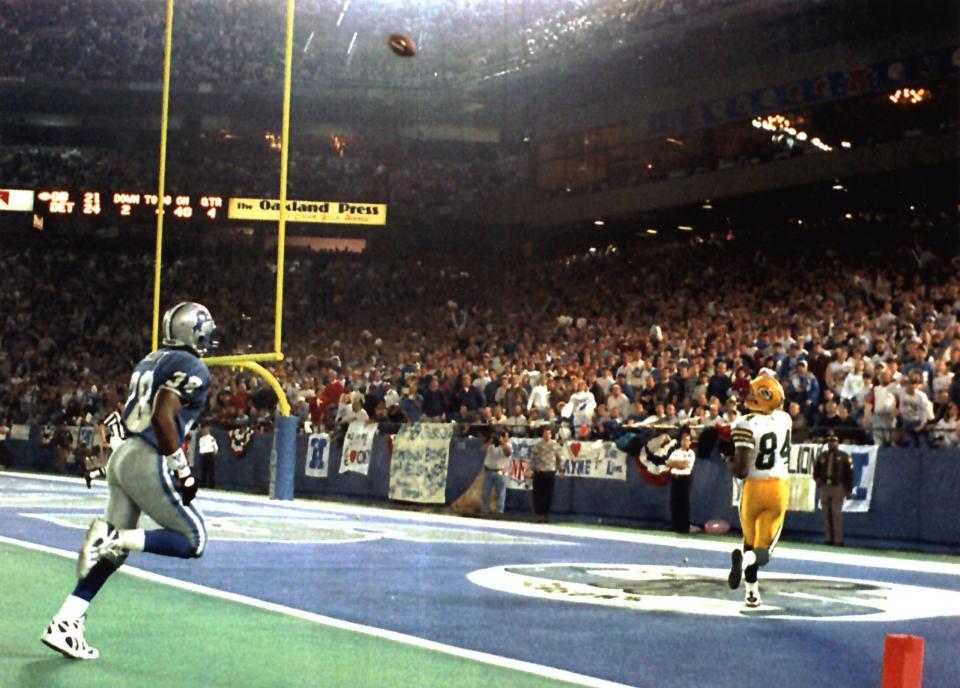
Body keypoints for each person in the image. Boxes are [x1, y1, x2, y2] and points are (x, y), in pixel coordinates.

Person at [42, 302, 217, 660]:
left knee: (114, 555)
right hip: (146, 455)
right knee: (193, 539)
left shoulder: (152, 360)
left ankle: (66, 621)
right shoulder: (192, 366)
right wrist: (181, 469)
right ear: (194, 331)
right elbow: (163, 412)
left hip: (124, 453)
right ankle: (112, 536)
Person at [725, 370, 792, 609]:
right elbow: (773, 401)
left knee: (749, 539)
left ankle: (751, 592)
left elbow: (741, 470)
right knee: (763, 551)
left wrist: (727, 459)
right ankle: (749, 579)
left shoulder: (743, 424)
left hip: (752, 488)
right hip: (777, 489)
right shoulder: (785, 420)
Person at [813, 433, 854, 546]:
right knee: (826, 513)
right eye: (830, 441)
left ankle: (838, 539)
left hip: (838, 486)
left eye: (834, 441)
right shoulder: (822, 456)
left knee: (836, 513)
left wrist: (848, 490)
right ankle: (828, 538)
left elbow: (849, 474)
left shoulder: (844, 456)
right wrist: (817, 479)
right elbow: (816, 469)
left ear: (838, 442)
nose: (832, 443)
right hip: (825, 486)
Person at [528, 425, 563, 522]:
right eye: (545, 433)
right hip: (539, 472)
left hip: (549, 472)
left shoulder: (555, 445)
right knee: (538, 494)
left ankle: (546, 514)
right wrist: (531, 469)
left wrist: (561, 469)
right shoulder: (538, 445)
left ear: (551, 435)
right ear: (543, 435)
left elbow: (560, 458)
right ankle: (539, 514)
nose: (547, 435)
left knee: (548, 494)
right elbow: (533, 458)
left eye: (549, 433)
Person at [665, 432, 696, 534]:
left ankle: (684, 527)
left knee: (683, 503)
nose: (685, 442)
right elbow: (668, 463)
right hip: (675, 478)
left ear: (690, 442)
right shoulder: (675, 452)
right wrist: (677, 463)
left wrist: (676, 463)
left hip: (685, 478)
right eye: (683, 440)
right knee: (674, 502)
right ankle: (675, 526)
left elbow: (684, 465)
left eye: (687, 440)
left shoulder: (691, 453)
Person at [480, 430, 512, 515]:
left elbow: (508, 453)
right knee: (485, 492)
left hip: (502, 470)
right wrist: (491, 441)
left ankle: (499, 511)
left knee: (501, 491)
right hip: (489, 470)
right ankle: (485, 510)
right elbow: (482, 450)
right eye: (505, 436)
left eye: (506, 437)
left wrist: (502, 443)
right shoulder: (491, 445)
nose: (507, 438)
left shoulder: (508, 445)